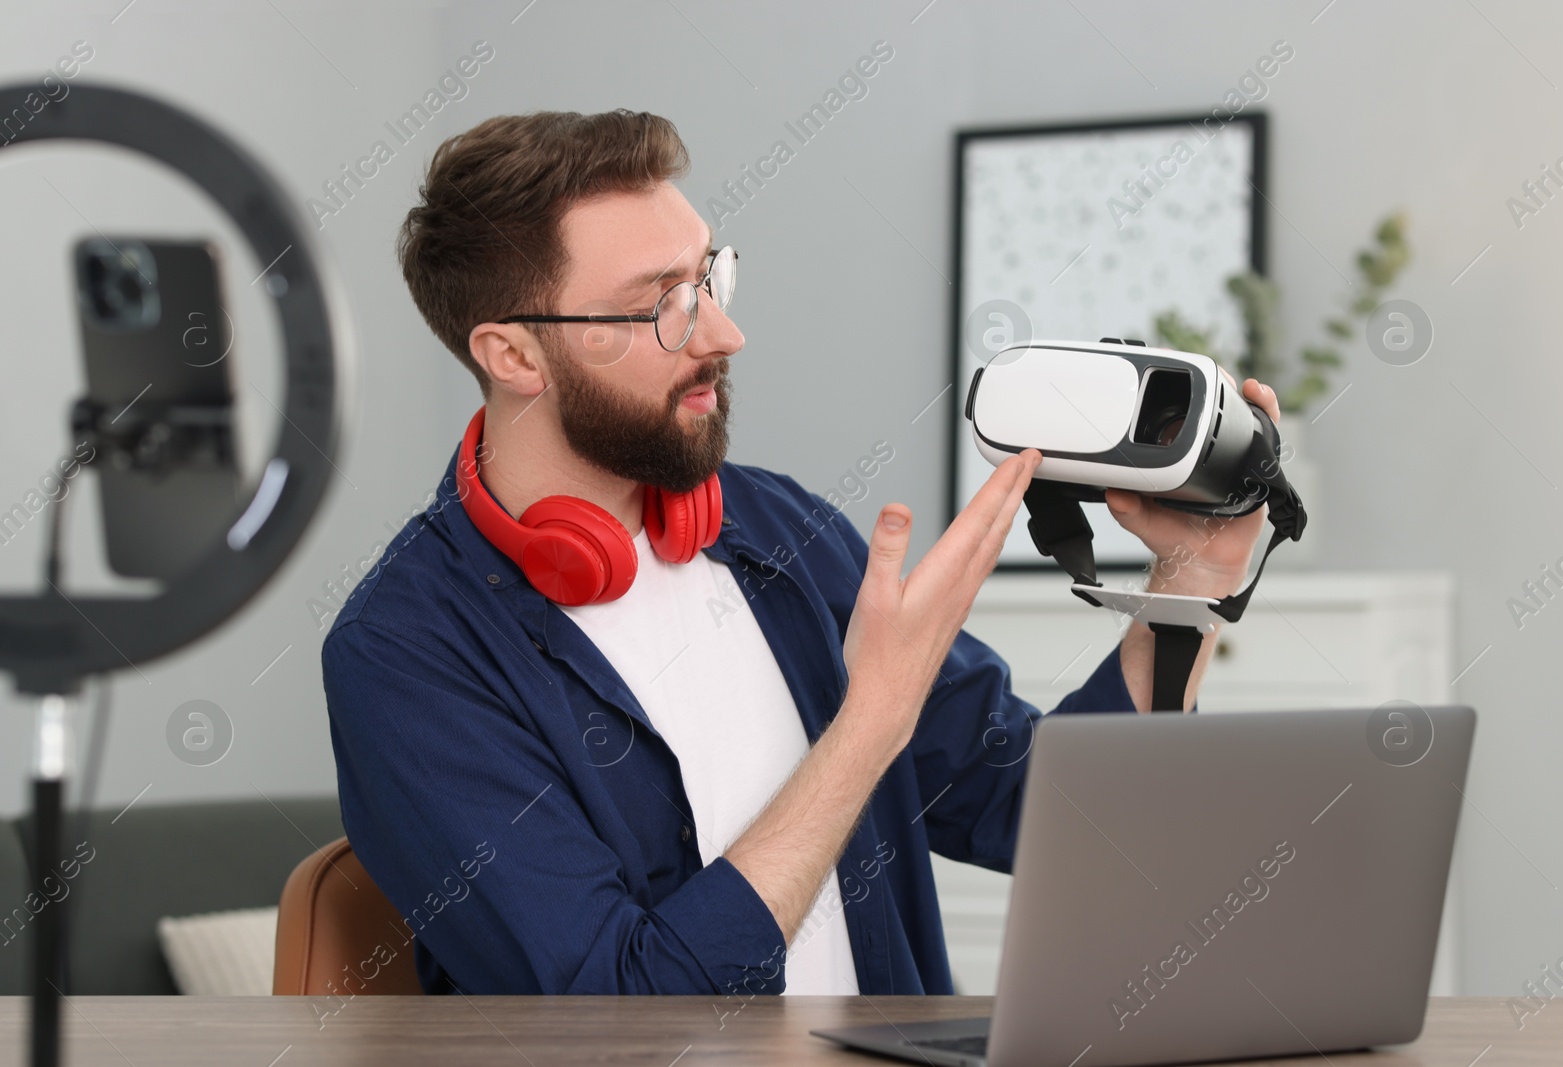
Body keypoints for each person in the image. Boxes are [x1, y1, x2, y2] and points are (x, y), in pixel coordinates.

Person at [320, 109, 1281, 997]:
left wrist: (1190, 575)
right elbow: (620, 1014)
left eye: (708, 278)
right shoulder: (403, 654)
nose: (725, 333)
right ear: (516, 356)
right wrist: (869, 725)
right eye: (662, 306)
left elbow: (1042, 806)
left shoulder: (771, 526)